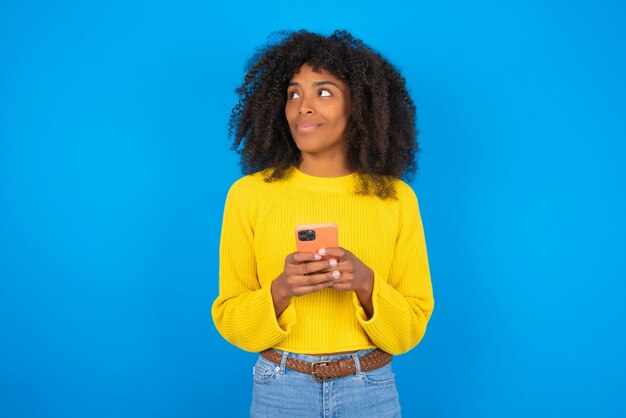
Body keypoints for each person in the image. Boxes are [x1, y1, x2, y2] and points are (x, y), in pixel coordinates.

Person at [211, 29, 434, 418]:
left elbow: (410, 328)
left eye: (324, 92)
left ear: (359, 107)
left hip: (370, 389)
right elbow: (230, 319)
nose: (303, 107)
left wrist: (365, 284)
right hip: (279, 388)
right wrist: (281, 290)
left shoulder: (396, 198)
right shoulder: (249, 195)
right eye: (294, 93)